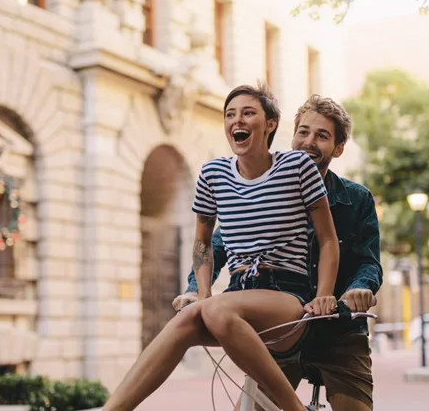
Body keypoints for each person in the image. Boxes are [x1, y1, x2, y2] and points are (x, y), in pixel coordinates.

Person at [103, 84, 341, 411]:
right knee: (188, 318)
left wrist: (323, 294)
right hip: (238, 294)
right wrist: (201, 293)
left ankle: (293, 409)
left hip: (287, 296)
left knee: (214, 308)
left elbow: (328, 239)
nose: (236, 121)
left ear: (270, 124)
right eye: (230, 114)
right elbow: (202, 243)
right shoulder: (213, 174)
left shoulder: (297, 167)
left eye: (247, 113)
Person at [175, 94, 383, 411]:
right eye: (303, 132)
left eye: (322, 136)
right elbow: (216, 244)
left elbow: (368, 261)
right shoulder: (268, 185)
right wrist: (194, 290)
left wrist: (359, 288)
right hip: (281, 328)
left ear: (338, 149)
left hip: (338, 330)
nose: (309, 142)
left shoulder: (357, 199)